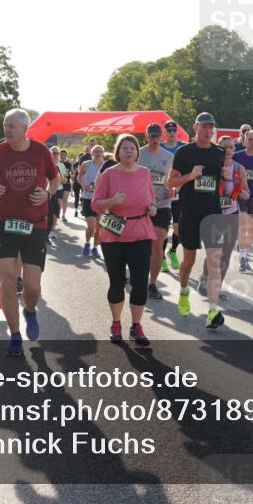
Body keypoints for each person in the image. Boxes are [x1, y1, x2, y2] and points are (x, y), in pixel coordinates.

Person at [0, 108, 60, 357]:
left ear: (25, 128)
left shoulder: (41, 151)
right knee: (8, 278)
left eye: (11, 126)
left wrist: (48, 193)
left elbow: (55, 180)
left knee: (32, 286)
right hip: (4, 224)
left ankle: (30, 311)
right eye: (4, 125)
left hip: (35, 224)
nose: (6, 130)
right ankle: (14, 335)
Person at [91, 134, 157, 346]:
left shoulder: (145, 173)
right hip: (114, 233)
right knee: (117, 282)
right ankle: (116, 322)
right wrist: (112, 200)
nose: (129, 151)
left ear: (137, 152)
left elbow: (151, 196)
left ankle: (136, 326)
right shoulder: (109, 174)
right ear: (118, 151)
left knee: (139, 283)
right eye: (125, 148)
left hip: (141, 232)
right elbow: (96, 204)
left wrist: (153, 207)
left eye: (133, 148)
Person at [167, 112, 226, 329]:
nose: (209, 131)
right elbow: (170, 182)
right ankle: (183, 292)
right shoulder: (184, 152)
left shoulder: (219, 152)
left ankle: (212, 309)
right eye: (204, 127)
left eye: (212, 128)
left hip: (213, 212)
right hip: (190, 211)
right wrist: (190, 176)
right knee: (189, 260)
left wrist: (230, 179)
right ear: (195, 127)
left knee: (213, 261)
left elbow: (225, 180)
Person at [139, 123, 175, 298]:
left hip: (162, 203)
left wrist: (174, 190)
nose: (154, 139)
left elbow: (174, 180)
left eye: (157, 136)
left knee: (158, 241)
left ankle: (152, 284)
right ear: (146, 136)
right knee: (139, 243)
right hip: (139, 204)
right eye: (151, 136)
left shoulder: (169, 157)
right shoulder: (138, 153)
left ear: (162, 137)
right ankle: (137, 275)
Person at [210, 134, 249, 287]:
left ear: (234, 149)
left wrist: (245, 193)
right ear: (219, 148)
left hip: (232, 212)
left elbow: (245, 191)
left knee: (227, 250)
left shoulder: (240, 168)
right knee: (214, 250)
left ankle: (217, 284)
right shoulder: (213, 166)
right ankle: (206, 277)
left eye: (231, 147)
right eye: (225, 147)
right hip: (214, 212)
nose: (228, 150)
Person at [233, 130, 253, 272]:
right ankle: (243, 257)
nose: (252, 142)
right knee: (243, 225)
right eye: (250, 139)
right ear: (244, 141)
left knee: (251, 229)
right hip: (240, 195)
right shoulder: (237, 157)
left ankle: (244, 250)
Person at [161, 121, 186, 270]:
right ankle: (162, 257)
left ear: (177, 132)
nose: (171, 132)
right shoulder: (160, 147)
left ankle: (172, 251)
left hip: (178, 191)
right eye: (168, 130)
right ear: (165, 132)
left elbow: (187, 170)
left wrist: (178, 187)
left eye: (173, 130)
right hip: (162, 192)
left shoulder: (183, 147)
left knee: (178, 227)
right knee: (163, 228)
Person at [77, 145, 105, 257]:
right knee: (91, 226)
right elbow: (79, 177)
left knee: (99, 227)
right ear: (92, 153)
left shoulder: (105, 166)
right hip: (88, 198)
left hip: (101, 200)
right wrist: (84, 185)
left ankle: (95, 248)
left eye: (100, 151)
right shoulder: (86, 164)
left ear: (103, 153)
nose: (98, 153)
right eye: (96, 151)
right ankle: (88, 243)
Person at [57, 149, 73, 221]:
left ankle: (63, 215)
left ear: (66, 156)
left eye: (64, 155)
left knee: (65, 199)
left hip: (67, 183)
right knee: (59, 200)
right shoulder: (58, 163)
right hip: (59, 184)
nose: (63, 156)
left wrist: (72, 176)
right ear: (59, 156)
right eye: (61, 155)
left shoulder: (69, 164)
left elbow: (73, 173)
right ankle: (57, 213)